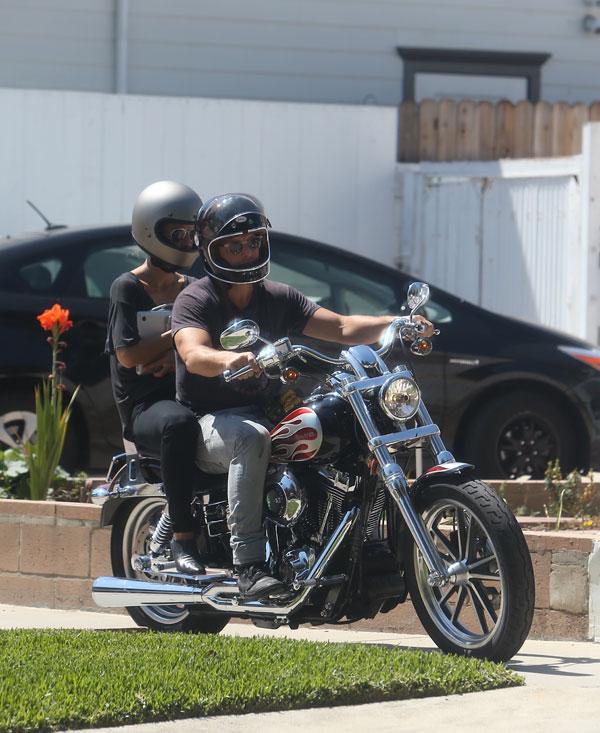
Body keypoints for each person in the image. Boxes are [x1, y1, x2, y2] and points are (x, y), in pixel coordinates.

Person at [171, 193, 434, 599]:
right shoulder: (197, 298)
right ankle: (248, 565)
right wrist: (230, 359)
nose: (247, 252)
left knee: (333, 424)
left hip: (269, 408)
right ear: (212, 251)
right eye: (235, 246)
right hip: (211, 421)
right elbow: (192, 353)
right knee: (251, 438)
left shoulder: (277, 296)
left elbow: (343, 327)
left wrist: (399, 323)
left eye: (254, 242)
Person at [105, 180, 207, 575]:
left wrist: (176, 351)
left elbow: (212, 337)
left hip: (190, 389)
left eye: (191, 233)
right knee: (178, 424)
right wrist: (178, 336)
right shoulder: (127, 287)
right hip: (146, 406)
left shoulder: (194, 287)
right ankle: (184, 539)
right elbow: (129, 355)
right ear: (150, 230)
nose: (184, 241)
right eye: (175, 233)